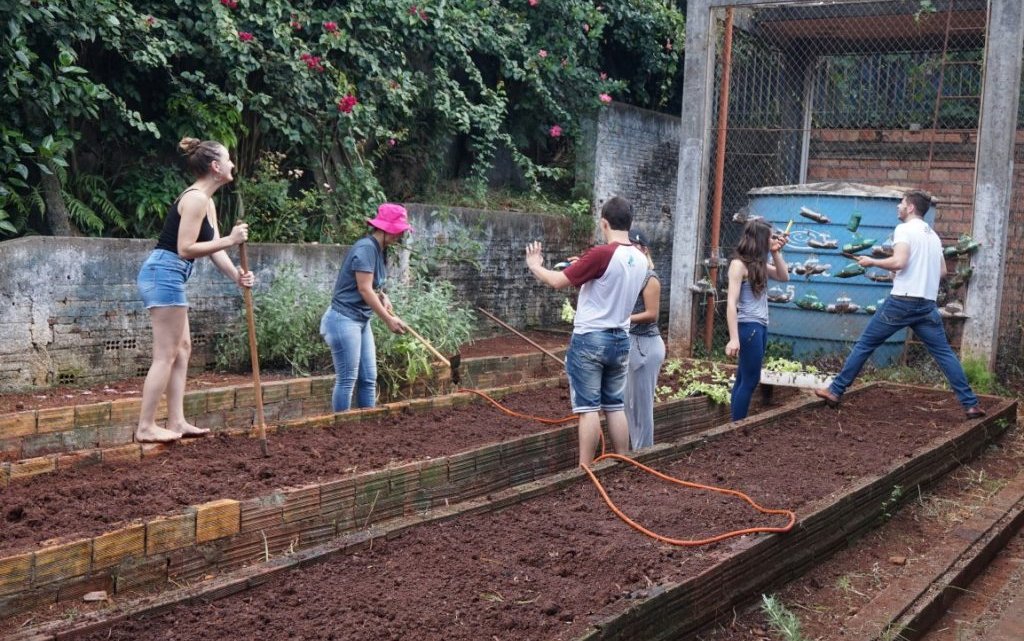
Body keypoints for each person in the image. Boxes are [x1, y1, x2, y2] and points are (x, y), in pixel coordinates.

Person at [815, 190, 986, 419]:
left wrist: (871, 261)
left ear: (911, 208)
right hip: (926, 304)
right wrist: (911, 274)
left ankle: (835, 391)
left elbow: (899, 261)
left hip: (902, 302)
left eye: (901, 203)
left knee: (865, 344)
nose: (898, 206)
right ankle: (970, 404)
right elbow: (943, 271)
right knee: (945, 354)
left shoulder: (904, 229)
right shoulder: (933, 236)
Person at [135, 137, 255, 444]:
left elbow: (214, 251)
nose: (232, 165)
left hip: (170, 274)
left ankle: (176, 421)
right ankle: (146, 426)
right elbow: (185, 248)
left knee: (183, 350)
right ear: (216, 167)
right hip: (164, 273)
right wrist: (231, 239)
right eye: (228, 160)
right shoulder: (195, 199)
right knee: (166, 354)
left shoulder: (208, 202)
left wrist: (237, 276)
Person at [525, 196, 648, 467]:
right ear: (629, 223)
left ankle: (585, 469)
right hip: (620, 338)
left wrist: (535, 266)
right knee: (614, 405)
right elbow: (609, 281)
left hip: (591, 338)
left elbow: (558, 281)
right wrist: (584, 265)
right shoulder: (640, 259)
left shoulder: (602, 254)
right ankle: (623, 461)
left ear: (604, 223)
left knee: (588, 407)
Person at [321, 204, 410, 411]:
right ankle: (343, 428)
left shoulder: (378, 250)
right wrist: (388, 320)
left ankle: (368, 426)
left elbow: (371, 286)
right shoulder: (366, 249)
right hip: (343, 319)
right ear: (385, 228)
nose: (400, 235)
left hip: (360, 319)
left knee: (369, 378)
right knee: (347, 379)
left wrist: (383, 296)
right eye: (398, 230)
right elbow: (363, 289)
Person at [725, 218, 789, 421]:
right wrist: (734, 338)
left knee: (743, 379)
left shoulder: (758, 263)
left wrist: (776, 252)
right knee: (750, 381)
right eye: (771, 237)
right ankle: (737, 426)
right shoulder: (738, 264)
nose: (774, 239)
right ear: (761, 239)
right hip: (748, 327)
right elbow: (731, 303)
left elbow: (783, 276)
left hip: (759, 327)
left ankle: (733, 424)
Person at [624, 229, 665, 450]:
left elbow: (652, 314)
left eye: (635, 245)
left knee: (641, 406)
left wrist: (622, 318)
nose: (631, 249)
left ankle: (644, 454)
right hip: (630, 343)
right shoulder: (628, 275)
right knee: (626, 405)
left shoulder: (650, 278)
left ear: (644, 249)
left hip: (645, 346)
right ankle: (634, 451)